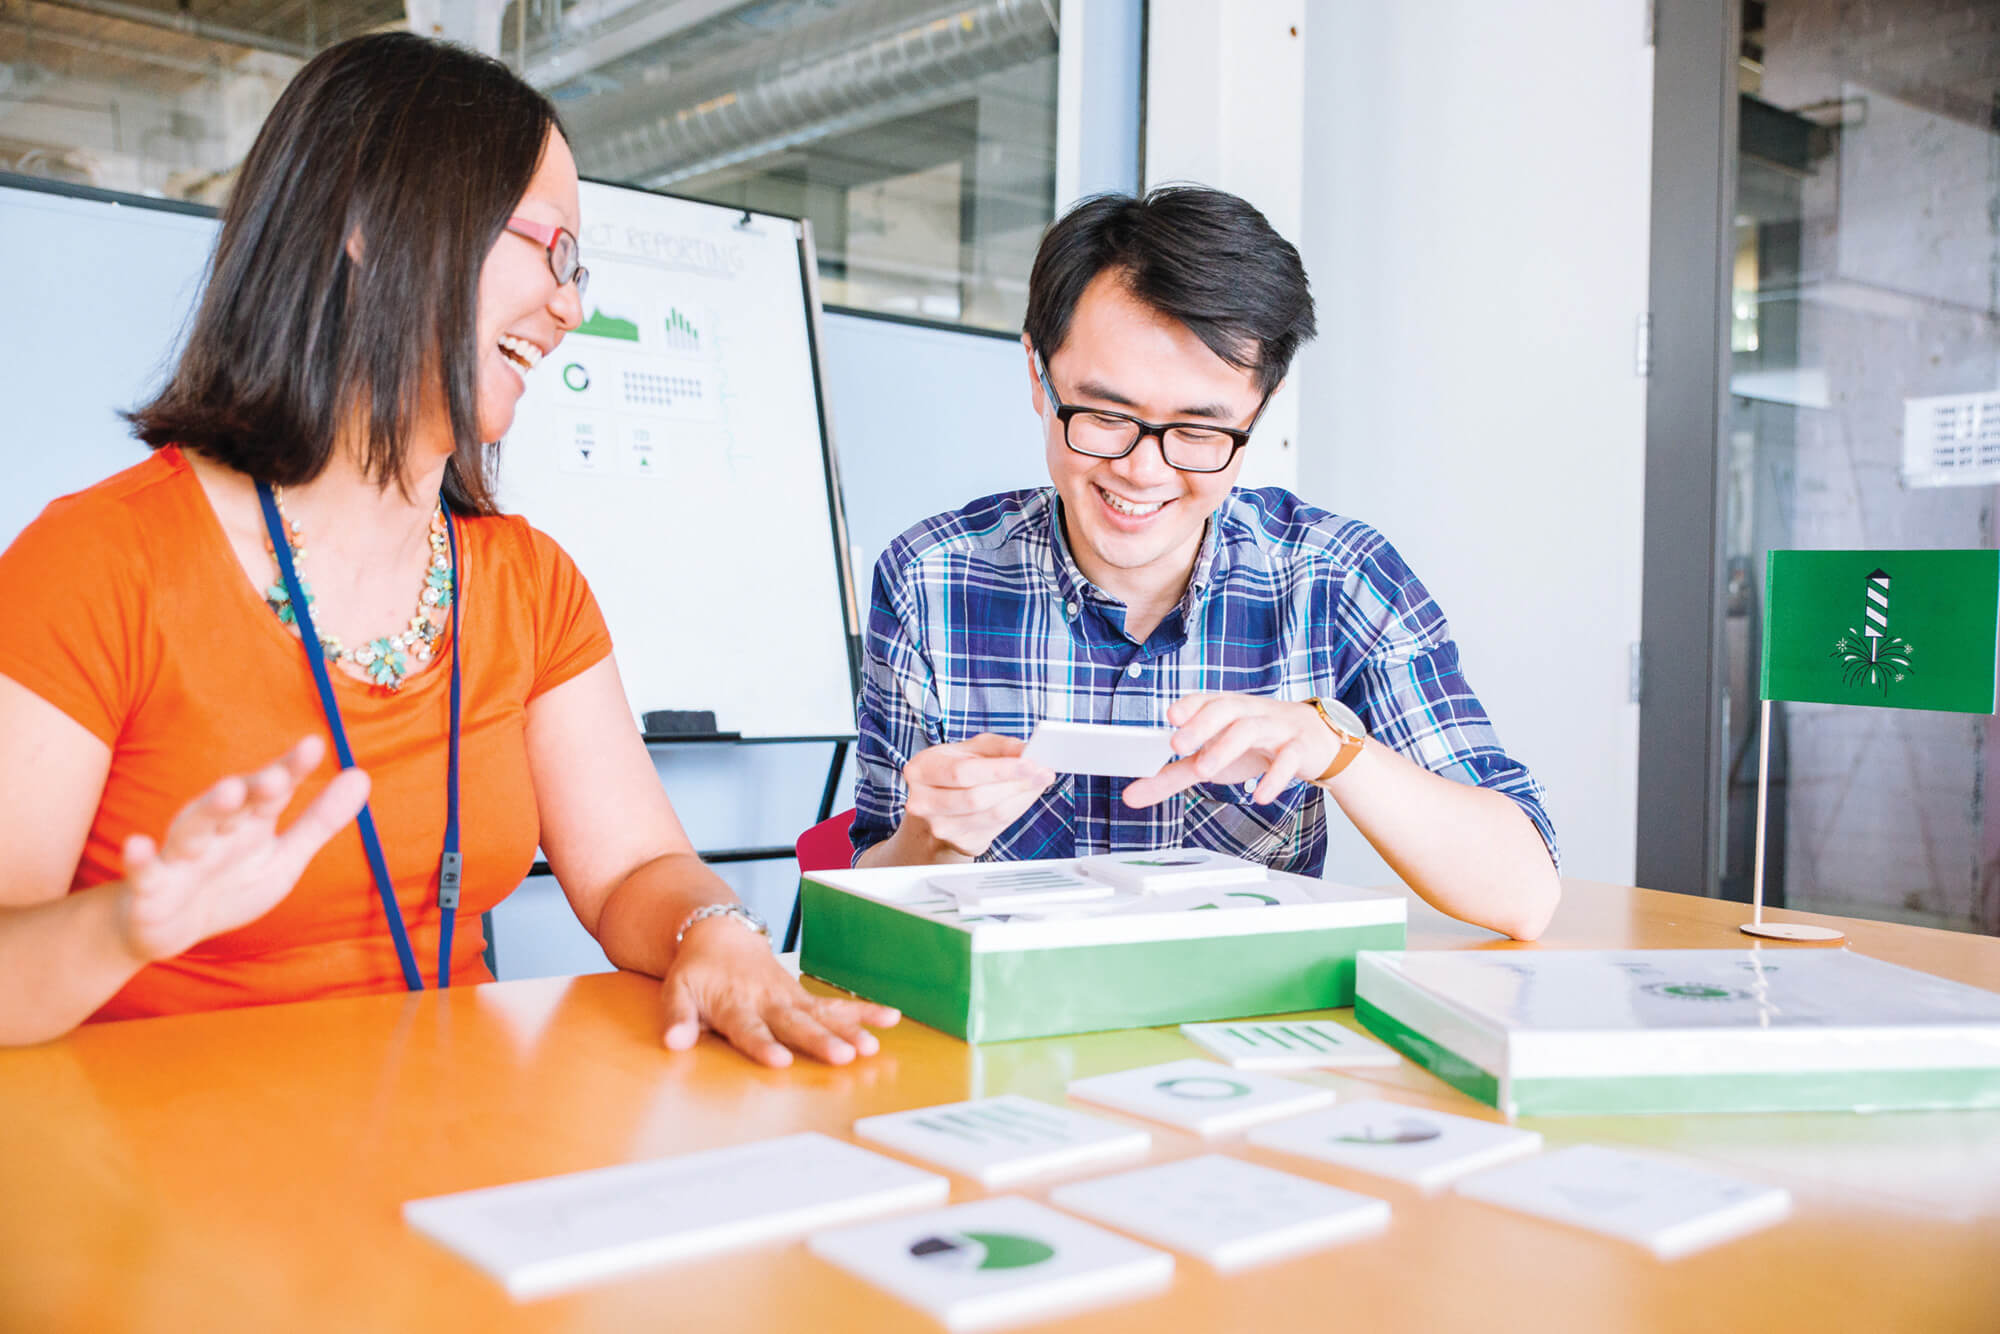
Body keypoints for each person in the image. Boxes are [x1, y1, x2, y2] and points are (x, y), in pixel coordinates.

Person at [0, 32, 896, 1063]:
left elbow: (633, 867)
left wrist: (716, 932)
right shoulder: (98, 562)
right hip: (163, 1183)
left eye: (579, 268)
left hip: (447, 1157)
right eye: (549, 248)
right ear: (370, 223)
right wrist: (127, 926)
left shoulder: (527, 582)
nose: (570, 305)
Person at [851, 187, 1560, 940]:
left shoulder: (1335, 578)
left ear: (1261, 404)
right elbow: (868, 897)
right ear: (1038, 373)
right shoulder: (931, 577)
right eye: (1106, 416)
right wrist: (934, 840)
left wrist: (1336, 751)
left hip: (1240, 1030)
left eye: (1199, 431)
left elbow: (1524, 893)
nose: (1143, 471)